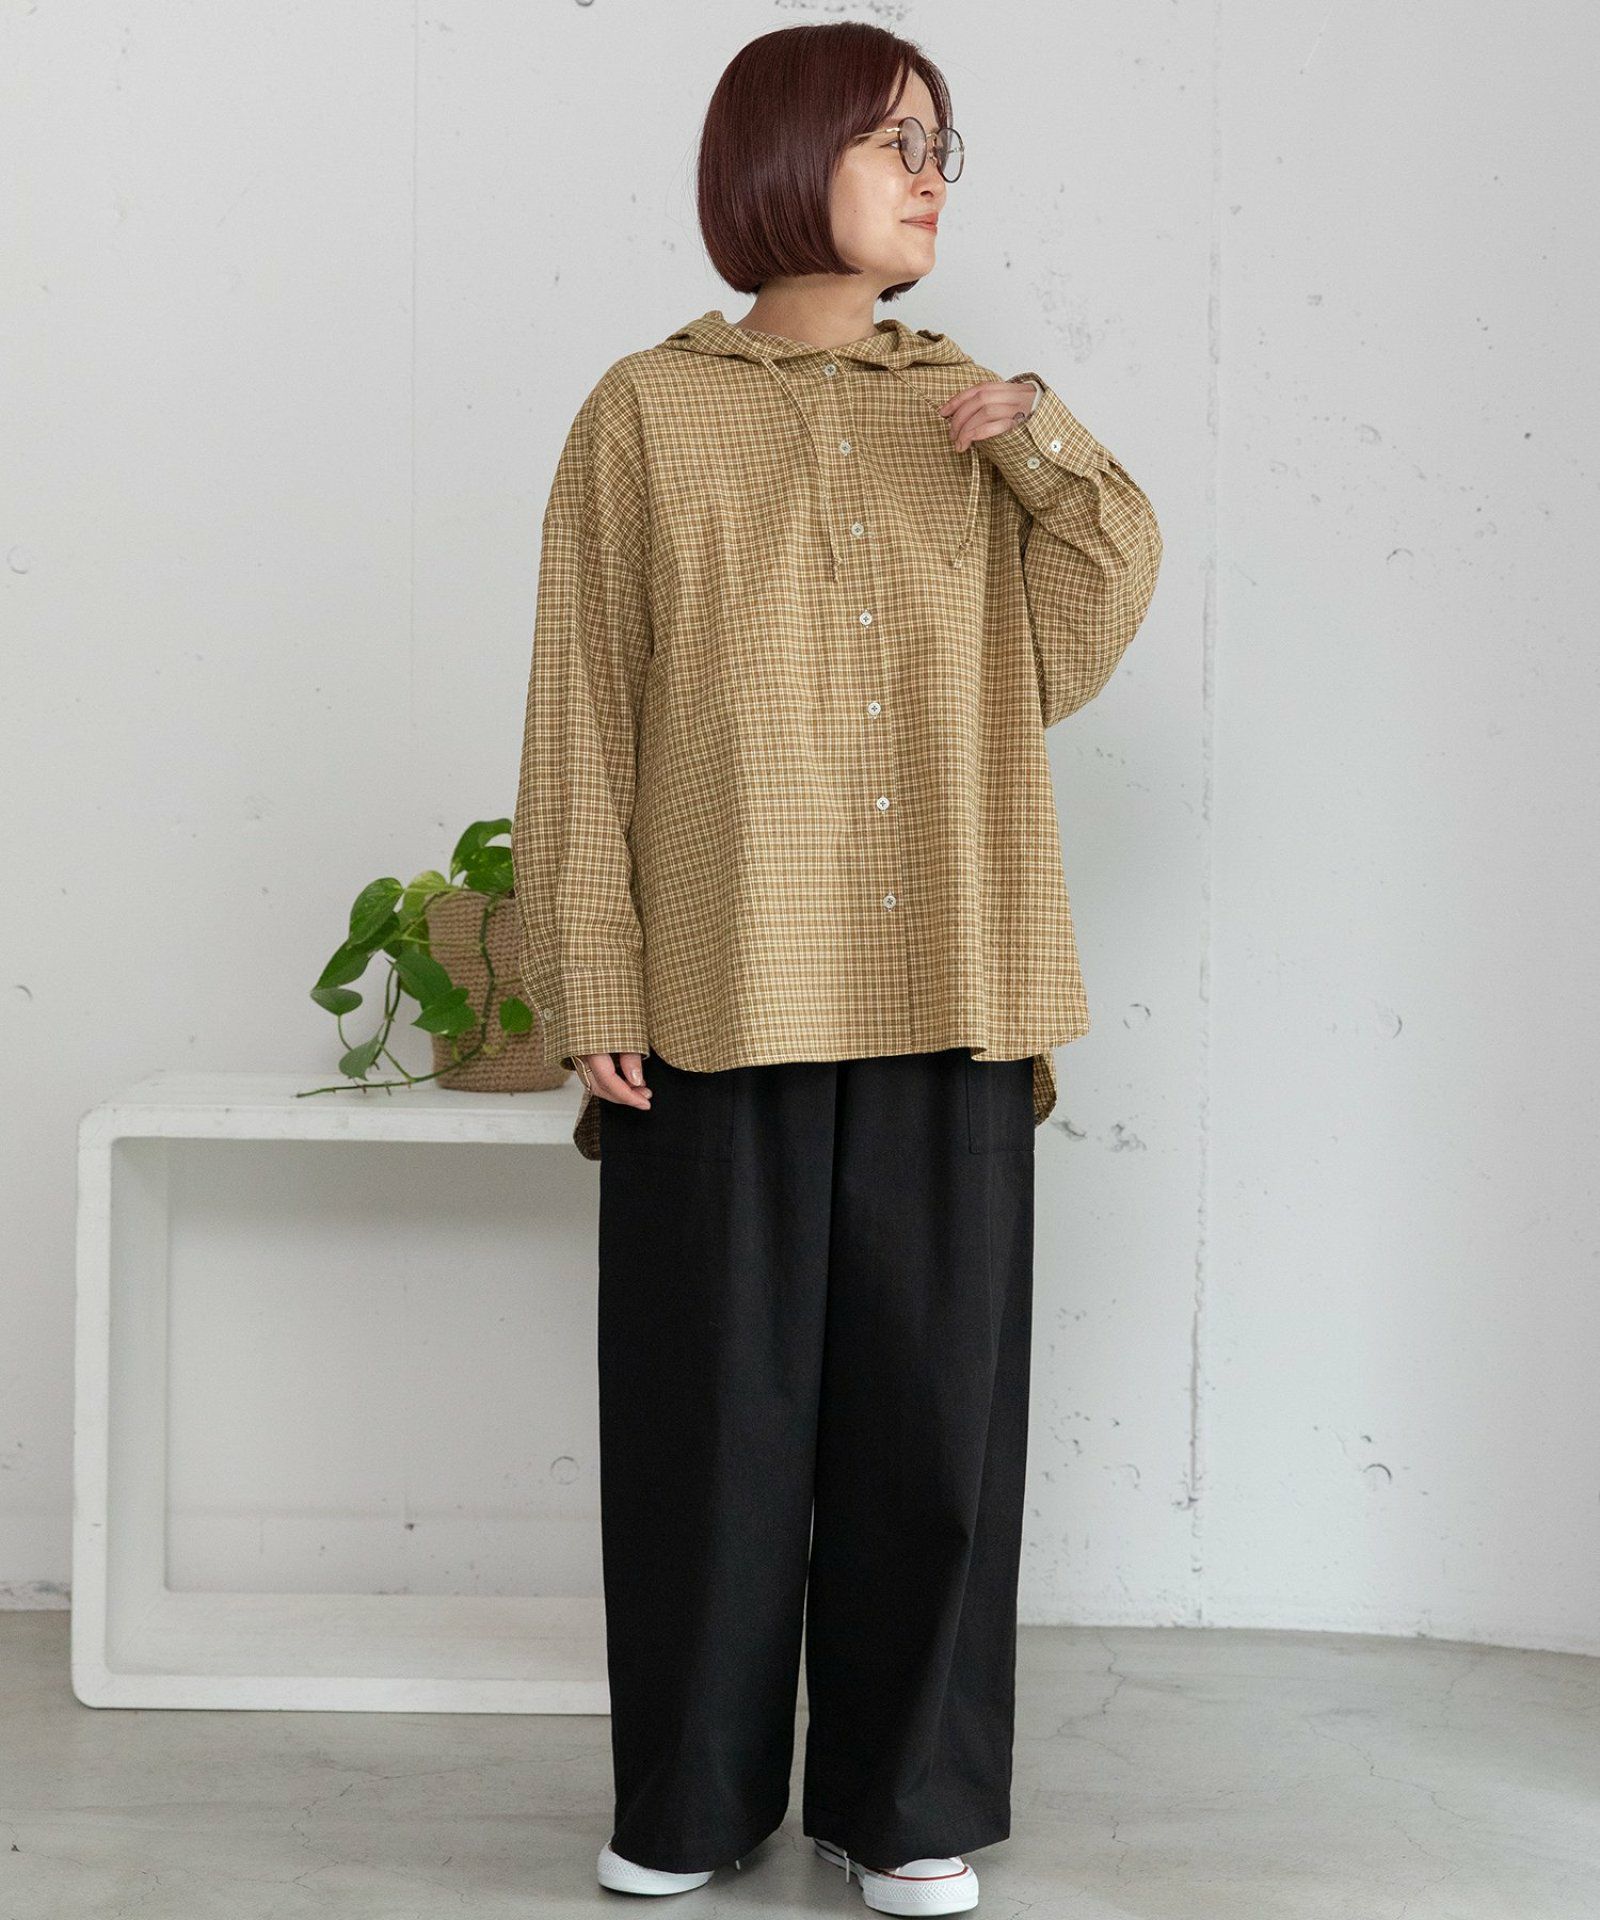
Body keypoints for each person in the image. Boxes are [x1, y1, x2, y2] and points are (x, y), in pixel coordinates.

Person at [511, 21, 1162, 1912]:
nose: (932, 177)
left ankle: (908, 1801)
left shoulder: (970, 409)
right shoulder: (645, 413)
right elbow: (583, 707)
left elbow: (1077, 637)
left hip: (953, 975)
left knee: (931, 1423)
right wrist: (593, 974)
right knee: (710, 1426)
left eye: (945, 146)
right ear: (786, 161)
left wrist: (1039, 441)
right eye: (896, 143)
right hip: (719, 992)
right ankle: (689, 1803)